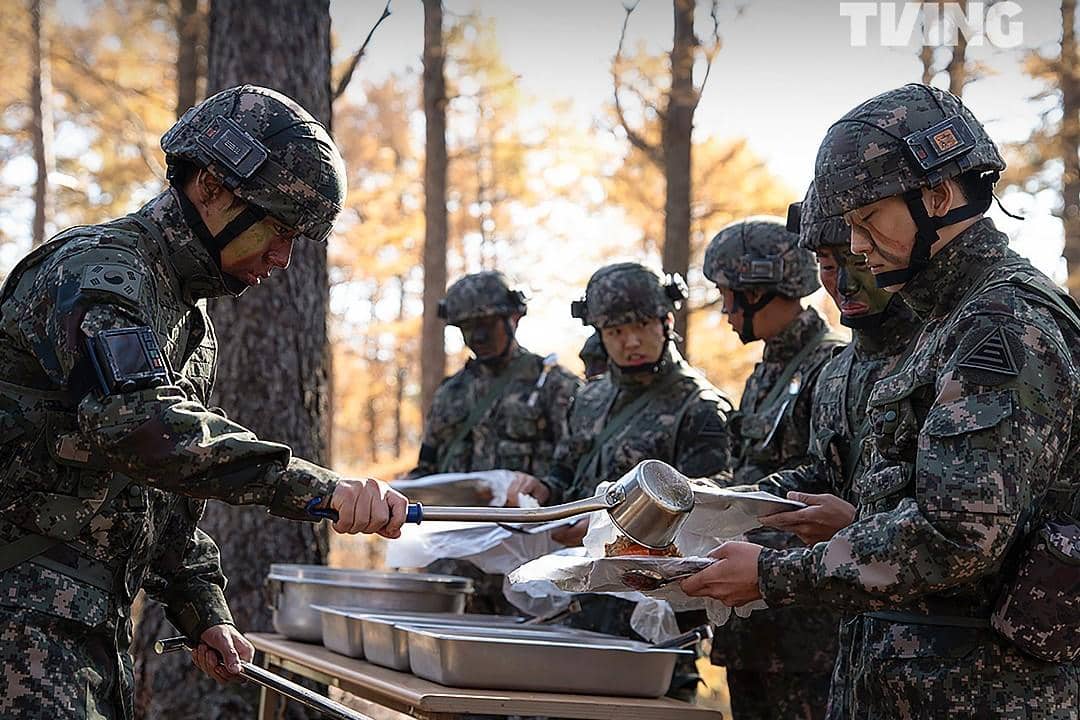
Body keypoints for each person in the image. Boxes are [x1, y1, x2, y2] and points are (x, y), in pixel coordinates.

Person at [0, 85, 410, 719]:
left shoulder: (186, 326)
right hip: (20, 615)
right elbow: (141, 429)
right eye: (277, 227)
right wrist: (319, 489)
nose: (283, 258)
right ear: (211, 185)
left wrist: (201, 610)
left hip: (80, 626)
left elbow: (162, 490)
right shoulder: (98, 274)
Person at [683, 84, 1080, 719]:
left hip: (978, 695)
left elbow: (954, 536)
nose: (858, 248)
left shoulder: (1000, 325)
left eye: (868, 222)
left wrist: (773, 575)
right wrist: (715, 508)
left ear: (939, 198)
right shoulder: (939, 322)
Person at [509, 261, 733, 701]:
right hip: (579, 604)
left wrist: (604, 530)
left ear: (666, 320)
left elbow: (710, 510)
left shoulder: (701, 406)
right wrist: (544, 489)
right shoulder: (589, 398)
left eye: (642, 326)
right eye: (614, 332)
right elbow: (565, 470)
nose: (630, 341)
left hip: (653, 618)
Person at [701, 216, 845, 720]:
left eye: (728, 294)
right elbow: (748, 470)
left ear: (762, 290)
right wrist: (695, 496)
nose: (724, 310)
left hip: (802, 628)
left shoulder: (830, 368)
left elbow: (826, 489)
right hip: (751, 622)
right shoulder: (765, 373)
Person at [755, 182, 920, 545]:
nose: (844, 285)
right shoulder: (836, 372)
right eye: (827, 266)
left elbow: (956, 523)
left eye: (859, 262)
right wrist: (737, 501)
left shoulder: (938, 355)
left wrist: (855, 527)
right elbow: (822, 474)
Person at [408, 271, 580, 615]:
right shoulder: (450, 394)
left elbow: (575, 470)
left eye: (488, 323)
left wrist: (545, 491)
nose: (480, 335)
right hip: (454, 563)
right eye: (469, 327)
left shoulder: (554, 386)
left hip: (529, 565)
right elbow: (427, 467)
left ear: (513, 317)